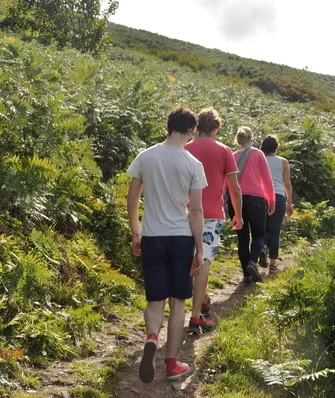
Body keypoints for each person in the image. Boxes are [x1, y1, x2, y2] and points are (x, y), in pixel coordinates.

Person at [127, 106, 206, 383]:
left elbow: (132, 198)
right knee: (178, 302)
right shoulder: (192, 164)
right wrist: (199, 248)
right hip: (181, 238)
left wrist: (137, 233)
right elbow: (195, 211)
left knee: (155, 299)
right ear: (190, 130)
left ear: (168, 126)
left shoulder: (145, 157)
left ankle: (151, 338)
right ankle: (172, 364)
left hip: (152, 236)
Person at [184, 107, 243, 334]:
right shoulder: (224, 150)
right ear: (215, 129)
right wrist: (237, 214)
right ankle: (195, 316)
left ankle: (204, 299)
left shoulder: (185, 148)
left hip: (186, 211)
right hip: (211, 215)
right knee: (203, 261)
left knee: (188, 259)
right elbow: (234, 189)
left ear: (197, 127)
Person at [227, 127, 275, 284]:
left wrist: (225, 201)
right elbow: (267, 180)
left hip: (236, 200)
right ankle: (252, 262)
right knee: (258, 235)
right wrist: (271, 200)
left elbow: (226, 181)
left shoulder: (233, 156)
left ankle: (246, 275)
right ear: (251, 139)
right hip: (256, 200)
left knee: (242, 238)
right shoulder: (258, 154)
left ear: (238, 141)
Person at [258, 135, 294, 274]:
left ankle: (263, 247)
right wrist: (289, 203)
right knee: (275, 231)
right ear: (276, 147)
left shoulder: (259, 159)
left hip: (261, 197)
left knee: (264, 229)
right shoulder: (283, 162)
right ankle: (273, 264)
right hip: (278, 196)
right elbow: (287, 184)